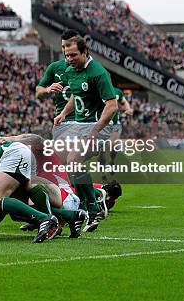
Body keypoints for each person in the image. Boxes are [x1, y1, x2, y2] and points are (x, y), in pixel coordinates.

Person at [54, 35, 117, 231]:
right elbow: (76, 93)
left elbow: (112, 105)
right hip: (78, 126)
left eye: (73, 55)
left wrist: (95, 130)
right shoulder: (71, 69)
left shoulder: (98, 73)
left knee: (74, 161)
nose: (69, 59)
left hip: (98, 127)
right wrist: (64, 113)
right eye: (66, 55)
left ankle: (92, 206)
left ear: (84, 52)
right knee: (62, 162)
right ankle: (89, 201)